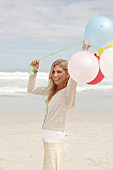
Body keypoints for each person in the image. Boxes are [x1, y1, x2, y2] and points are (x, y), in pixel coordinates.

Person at [27, 39, 90, 170]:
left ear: (68, 74)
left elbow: (76, 75)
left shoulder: (68, 92)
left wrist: (84, 49)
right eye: (53, 72)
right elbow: (31, 89)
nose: (55, 75)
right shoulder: (50, 90)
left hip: (54, 140)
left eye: (59, 72)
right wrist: (34, 71)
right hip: (48, 139)